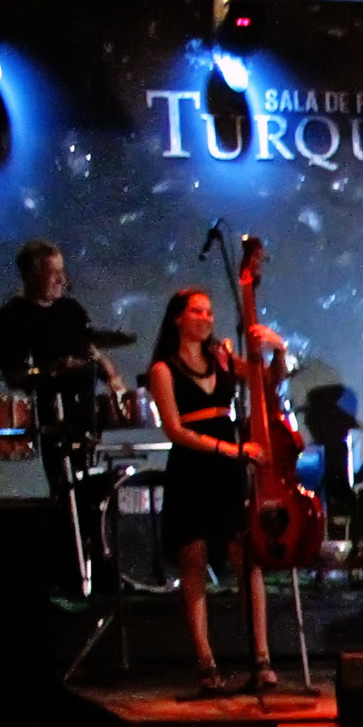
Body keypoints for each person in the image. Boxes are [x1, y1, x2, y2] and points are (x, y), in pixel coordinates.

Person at [145, 287, 285, 695]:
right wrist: (231, 449)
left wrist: (276, 351)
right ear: (178, 318)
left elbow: (264, 383)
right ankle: (205, 662)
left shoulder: (222, 357)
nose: (207, 318)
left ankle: (261, 658)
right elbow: (174, 429)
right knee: (194, 557)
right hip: (193, 465)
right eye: (197, 311)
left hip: (228, 467)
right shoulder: (163, 369)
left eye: (209, 311)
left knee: (247, 556)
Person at [0, 239, 127, 498]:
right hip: (51, 414)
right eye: (54, 273)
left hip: (85, 411)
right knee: (66, 490)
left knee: (96, 487)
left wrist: (112, 376)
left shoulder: (70, 310)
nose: (62, 280)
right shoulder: (11, 318)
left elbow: (93, 349)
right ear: (33, 274)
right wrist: (50, 370)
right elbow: (13, 376)